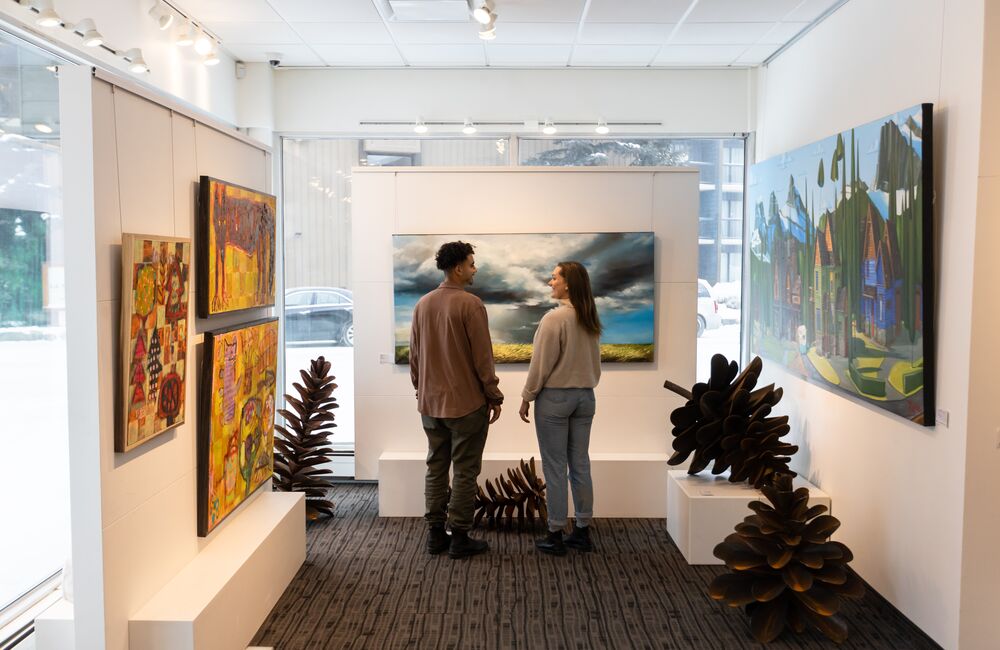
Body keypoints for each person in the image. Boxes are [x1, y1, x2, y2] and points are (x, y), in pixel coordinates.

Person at [410, 240, 503, 559]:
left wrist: (421, 389)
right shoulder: (471, 305)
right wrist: (494, 395)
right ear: (458, 268)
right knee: (465, 470)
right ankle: (460, 537)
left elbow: (415, 357)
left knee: (435, 467)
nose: (475, 269)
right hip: (467, 405)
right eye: (472, 264)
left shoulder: (422, 304)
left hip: (430, 404)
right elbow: (483, 360)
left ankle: (436, 535)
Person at [519, 261, 602, 556]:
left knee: (555, 467)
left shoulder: (554, 319)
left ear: (568, 283)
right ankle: (582, 530)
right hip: (585, 398)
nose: (550, 282)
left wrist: (527, 396)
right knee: (580, 464)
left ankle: (554, 533)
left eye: (554, 277)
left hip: (555, 399)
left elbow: (540, 364)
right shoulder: (590, 317)